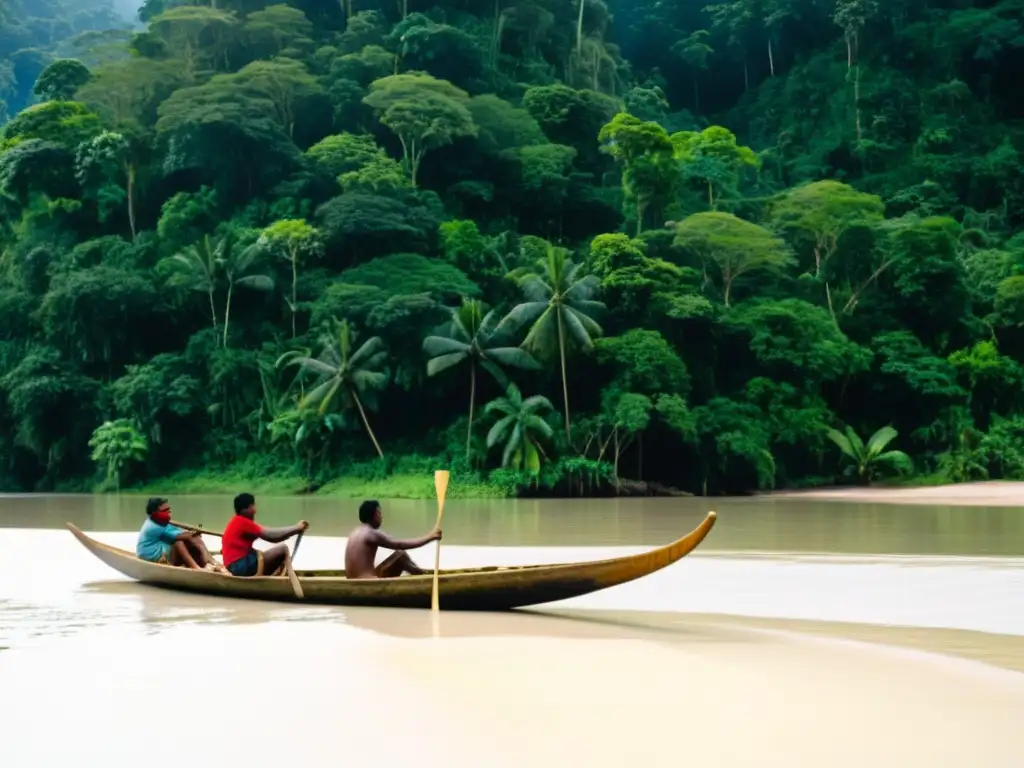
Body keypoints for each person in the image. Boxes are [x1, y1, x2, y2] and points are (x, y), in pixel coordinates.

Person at [344, 499, 441, 579]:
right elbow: (400, 544)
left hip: (352, 580)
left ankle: (419, 573)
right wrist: (430, 537)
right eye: (380, 513)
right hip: (366, 582)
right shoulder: (370, 534)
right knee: (401, 557)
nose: (382, 517)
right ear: (376, 514)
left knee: (400, 554)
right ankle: (422, 577)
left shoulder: (355, 532)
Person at [221, 492, 308, 577]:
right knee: (282, 549)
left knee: (267, 554)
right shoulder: (242, 522)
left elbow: (273, 537)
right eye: (252, 507)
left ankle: (269, 577)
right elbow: (271, 536)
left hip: (235, 566)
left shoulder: (237, 522)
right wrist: (297, 528)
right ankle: (270, 579)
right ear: (244, 510)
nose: (255, 511)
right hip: (237, 567)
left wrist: (294, 530)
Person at [136, 497, 226, 572]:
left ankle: (210, 562)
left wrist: (194, 533)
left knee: (193, 540)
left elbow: (180, 532)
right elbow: (180, 536)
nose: (168, 512)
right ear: (154, 512)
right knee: (179, 542)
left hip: (165, 553)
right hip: (155, 558)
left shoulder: (160, 521)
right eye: (165, 510)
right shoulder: (154, 526)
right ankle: (197, 567)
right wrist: (194, 533)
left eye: (169, 509)